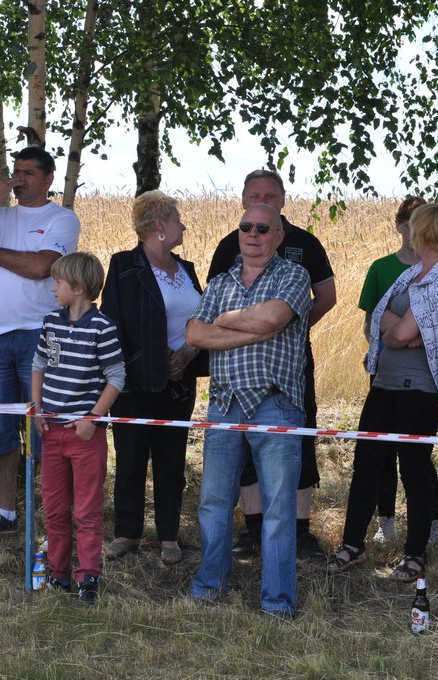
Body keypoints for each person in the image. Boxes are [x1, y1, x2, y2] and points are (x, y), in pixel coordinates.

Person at [186, 203, 312, 618]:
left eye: (262, 228)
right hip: (223, 403)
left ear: (278, 236)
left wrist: (225, 321)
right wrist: (253, 330)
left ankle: (277, 602)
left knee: (279, 511)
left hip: (276, 404)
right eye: (246, 227)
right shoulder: (220, 281)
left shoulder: (293, 275)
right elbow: (195, 333)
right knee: (213, 502)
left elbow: (274, 317)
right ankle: (209, 586)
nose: (253, 234)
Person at [326, 202, 438, 583]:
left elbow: (397, 332)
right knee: (366, 463)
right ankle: (352, 544)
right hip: (384, 383)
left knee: (413, 467)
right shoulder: (411, 275)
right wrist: (401, 332)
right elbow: (380, 319)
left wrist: (399, 332)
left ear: (425, 232)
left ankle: (415, 553)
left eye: (415, 227)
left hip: (420, 390)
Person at [207, 169, 336, 560]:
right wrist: (253, 330)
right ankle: (253, 528)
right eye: (254, 196)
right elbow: (207, 313)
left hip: (288, 369)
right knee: (242, 448)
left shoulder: (305, 244)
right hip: (234, 372)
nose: (261, 204)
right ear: (243, 201)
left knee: (296, 441)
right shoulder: (230, 244)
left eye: (270, 196)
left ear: (282, 200)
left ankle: (299, 531)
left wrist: (289, 328)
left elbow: (326, 297)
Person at [0, 147, 80, 543]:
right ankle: (4, 512)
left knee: (45, 426)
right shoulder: (1, 215)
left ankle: (51, 519)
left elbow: (41, 266)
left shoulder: (62, 218)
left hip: (40, 333)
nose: (19, 179)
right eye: (16, 171)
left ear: (48, 179)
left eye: (28, 173)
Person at [100, 190, 207, 565]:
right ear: (159, 225)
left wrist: (190, 353)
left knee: (171, 461)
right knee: (130, 460)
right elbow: (114, 322)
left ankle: (168, 535)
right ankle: (126, 533)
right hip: (134, 380)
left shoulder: (187, 269)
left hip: (180, 381)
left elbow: (203, 318)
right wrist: (151, 359)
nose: (184, 226)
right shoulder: (124, 265)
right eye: (178, 219)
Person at [32, 252, 125, 604]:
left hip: (85, 437)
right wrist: (37, 410)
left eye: (58, 282)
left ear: (79, 288)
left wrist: (93, 418)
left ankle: (88, 577)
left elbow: (116, 377)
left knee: (86, 511)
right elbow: (38, 366)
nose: (53, 288)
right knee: (55, 509)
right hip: (51, 433)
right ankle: (57, 574)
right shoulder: (50, 322)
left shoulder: (102, 327)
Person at [357, 196, 438, 544]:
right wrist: (387, 341)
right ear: (400, 226)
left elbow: (433, 329)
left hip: (422, 379)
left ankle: (432, 522)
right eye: (410, 224)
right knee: (380, 451)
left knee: (416, 454)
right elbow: (371, 320)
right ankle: (386, 521)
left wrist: (403, 334)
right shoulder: (381, 268)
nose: (415, 231)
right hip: (385, 371)